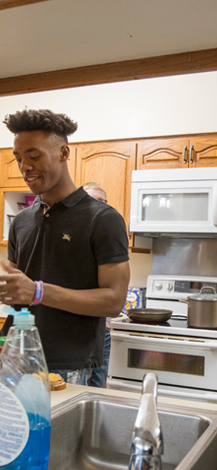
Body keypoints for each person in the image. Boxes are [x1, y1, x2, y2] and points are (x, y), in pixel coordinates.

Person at [0, 109, 130, 386]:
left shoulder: (103, 219)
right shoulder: (22, 220)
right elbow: (15, 290)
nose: (25, 166)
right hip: (14, 357)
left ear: (63, 153)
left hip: (67, 366)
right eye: (19, 158)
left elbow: (114, 300)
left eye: (34, 156)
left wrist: (37, 291)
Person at [83, 182, 111, 388]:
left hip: (101, 327)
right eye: (92, 200)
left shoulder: (108, 235)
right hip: (76, 330)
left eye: (102, 202)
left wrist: (106, 320)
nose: (97, 206)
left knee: (97, 388)